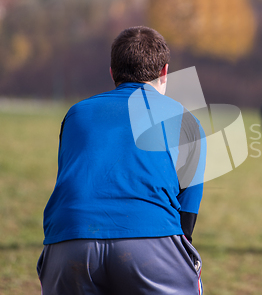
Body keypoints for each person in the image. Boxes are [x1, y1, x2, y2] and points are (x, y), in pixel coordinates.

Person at [37, 26, 206, 294]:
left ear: (112, 71)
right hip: (149, 242)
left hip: (68, 241)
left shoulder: (76, 114)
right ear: (164, 71)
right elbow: (189, 205)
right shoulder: (185, 118)